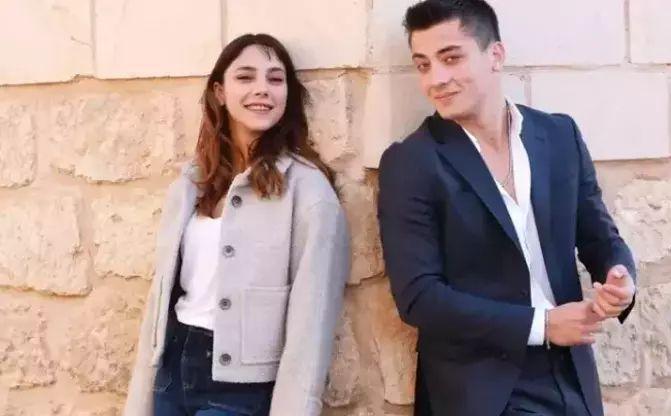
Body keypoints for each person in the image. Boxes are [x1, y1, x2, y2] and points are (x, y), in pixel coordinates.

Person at [377, 1, 637, 415]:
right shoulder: (412, 161)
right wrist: (543, 325)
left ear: (495, 55)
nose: (435, 79)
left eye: (451, 58)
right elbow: (419, 298)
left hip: (571, 374)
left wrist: (620, 279)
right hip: (481, 388)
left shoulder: (559, 135)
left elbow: (599, 237)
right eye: (423, 65)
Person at [124, 33, 350, 416]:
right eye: (245, 77)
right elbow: (159, 302)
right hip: (172, 369)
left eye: (275, 79)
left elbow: (312, 322)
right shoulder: (192, 183)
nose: (262, 89)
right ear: (219, 92)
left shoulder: (308, 190)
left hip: (241, 390)